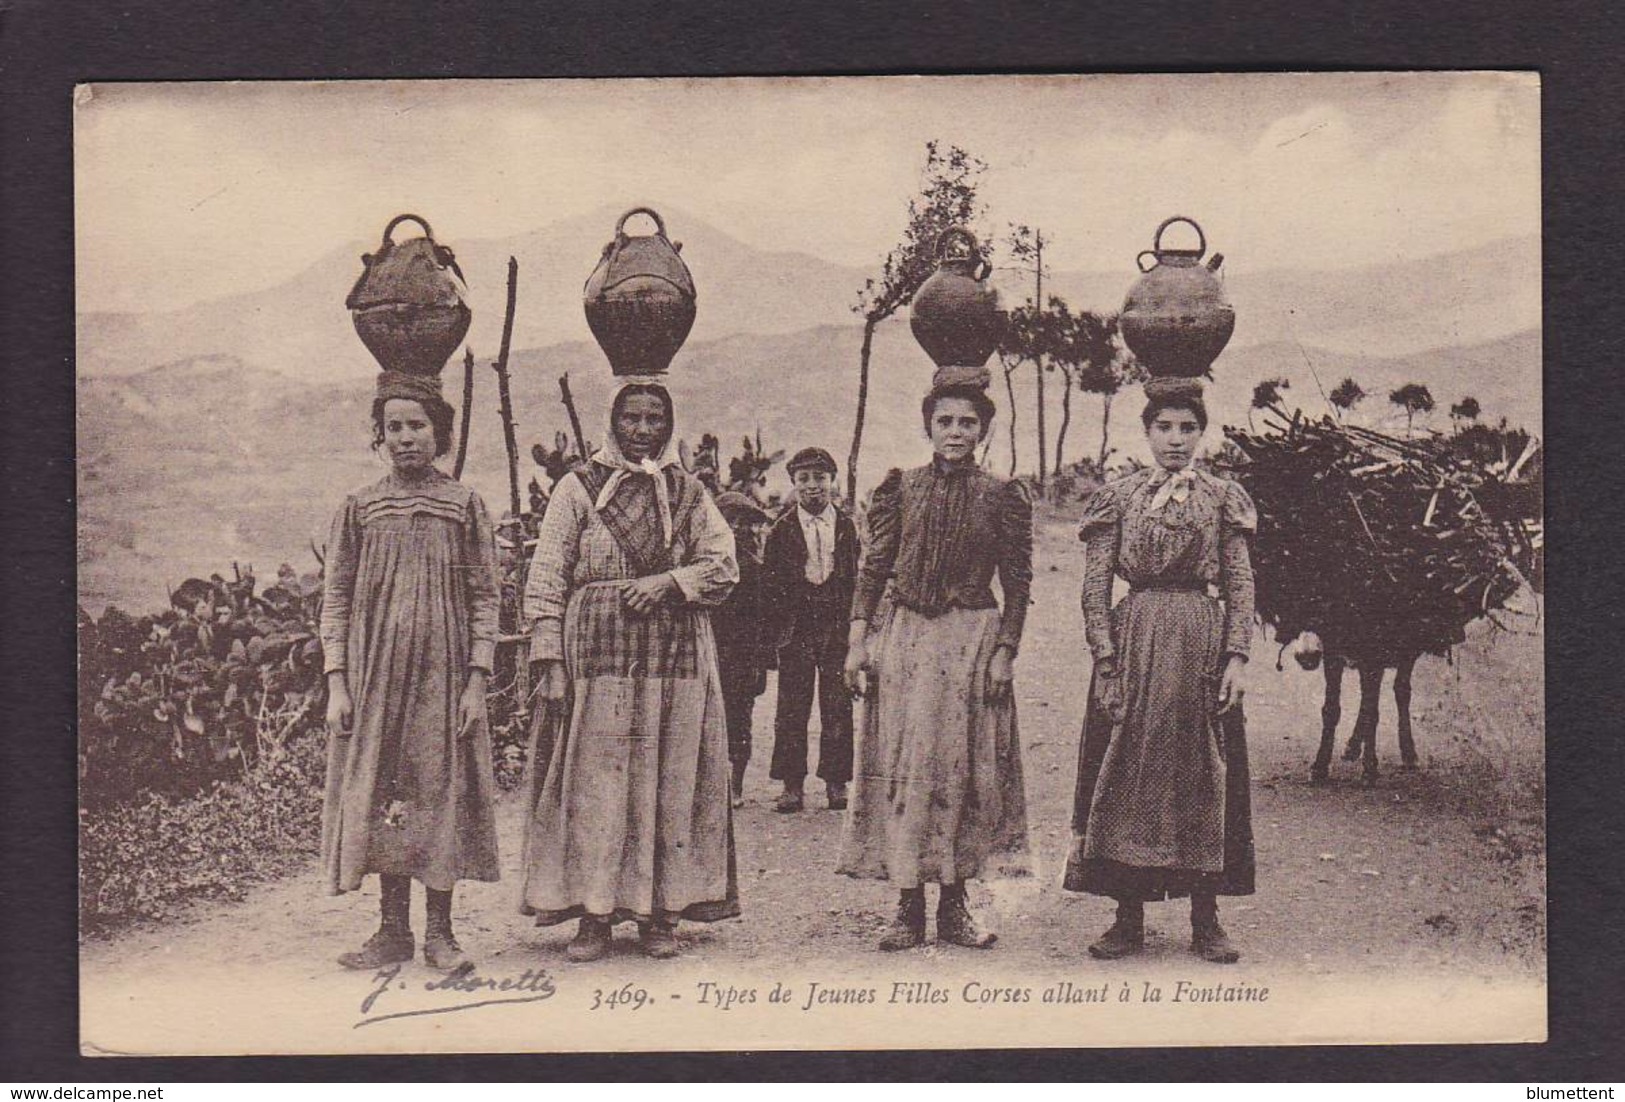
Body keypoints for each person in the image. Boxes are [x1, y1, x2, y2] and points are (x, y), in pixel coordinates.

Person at [520, 380, 740, 962]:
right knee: (597, 784)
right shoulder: (578, 488)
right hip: (598, 659)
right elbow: (545, 577)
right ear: (612, 422)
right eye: (632, 419)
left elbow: (723, 564)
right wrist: (550, 660)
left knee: (669, 780)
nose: (643, 430)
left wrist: (670, 582)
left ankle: (660, 915)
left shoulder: (687, 492)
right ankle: (594, 916)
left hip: (676, 659)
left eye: (655, 419)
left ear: (670, 426)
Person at [1062, 375, 1258, 964]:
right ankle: (1127, 918)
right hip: (1136, 638)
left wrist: (1237, 656)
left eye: (1187, 428)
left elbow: (1241, 581)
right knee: (1125, 767)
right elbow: (1095, 586)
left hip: (1200, 637)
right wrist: (1105, 655)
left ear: (1201, 433)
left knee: (1205, 769)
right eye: (1164, 428)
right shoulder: (1119, 496)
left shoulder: (1222, 496)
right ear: (1146, 433)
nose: (1176, 440)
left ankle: (1207, 917)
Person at [840, 373, 1033, 951]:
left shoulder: (1002, 495)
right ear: (928, 426)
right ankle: (907, 906)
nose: (956, 432)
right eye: (945, 421)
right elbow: (874, 569)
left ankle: (955, 906)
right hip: (906, 644)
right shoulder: (901, 488)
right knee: (906, 768)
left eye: (967, 422)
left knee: (963, 769)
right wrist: (858, 640)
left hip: (970, 642)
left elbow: (1018, 583)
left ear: (983, 430)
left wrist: (1005, 651)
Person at [320, 371, 502, 972]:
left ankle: (441, 935)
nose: (405, 438)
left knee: (437, 792)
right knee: (383, 791)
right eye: (392, 427)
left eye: (417, 425)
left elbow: (485, 597)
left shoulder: (464, 504)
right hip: (374, 681)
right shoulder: (360, 507)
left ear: (440, 432)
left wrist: (477, 679)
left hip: (442, 679)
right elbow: (337, 597)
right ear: (379, 435)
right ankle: (391, 930)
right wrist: (337, 681)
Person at [762, 447, 858, 813]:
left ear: (832, 481)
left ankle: (836, 783)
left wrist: (856, 628)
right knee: (792, 706)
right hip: (796, 628)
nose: (812, 487)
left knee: (837, 704)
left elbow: (854, 577)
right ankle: (791, 785)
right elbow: (769, 586)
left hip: (835, 626)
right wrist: (775, 633)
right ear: (793, 484)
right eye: (803, 479)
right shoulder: (782, 529)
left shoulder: (847, 525)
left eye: (820, 478)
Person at [711, 490, 773, 807]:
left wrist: (760, 663)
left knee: (740, 721)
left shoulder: (754, 569)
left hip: (742, 658)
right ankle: (713, 783)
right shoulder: (706, 566)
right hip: (711, 653)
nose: (736, 528)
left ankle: (735, 785)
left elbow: (764, 622)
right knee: (708, 720)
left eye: (743, 522)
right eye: (729, 520)